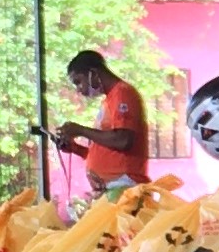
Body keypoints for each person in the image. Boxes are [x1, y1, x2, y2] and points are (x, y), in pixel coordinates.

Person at [50, 49, 148, 193]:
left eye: (78, 82)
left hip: (124, 186)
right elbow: (106, 151)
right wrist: (75, 148)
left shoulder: (123, 93)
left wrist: (81, 130)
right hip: (112, 188)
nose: (79, 89)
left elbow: (124, 140)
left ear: (93, 73)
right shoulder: (109, 100)